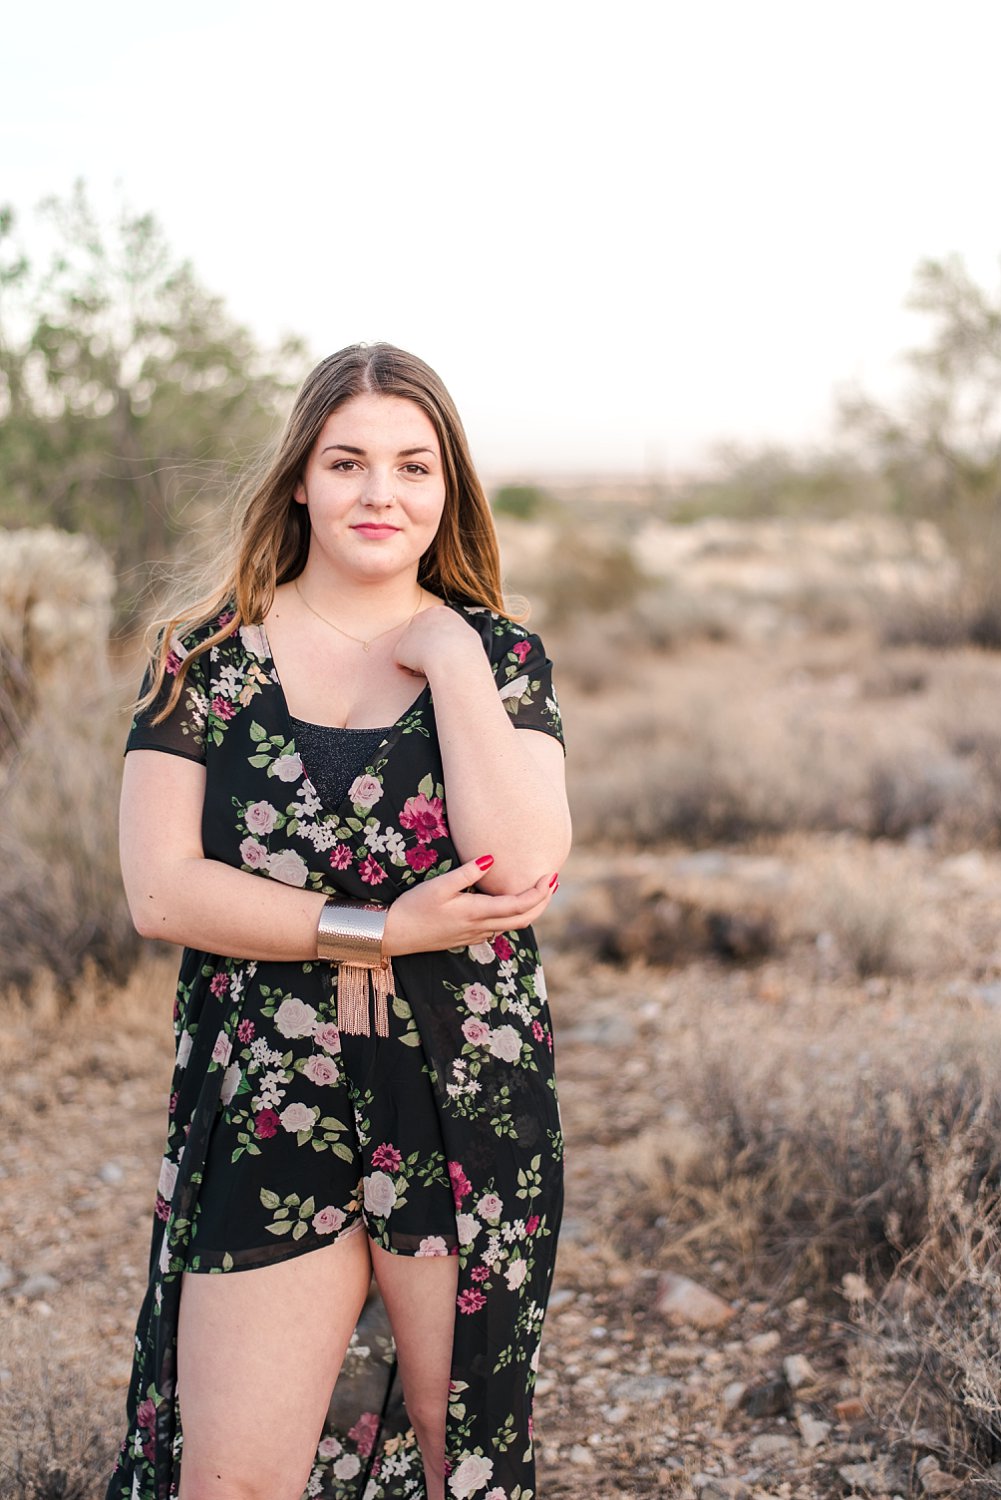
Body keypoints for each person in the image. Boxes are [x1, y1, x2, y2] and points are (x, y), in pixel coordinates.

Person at [105, 342, 572, 1500]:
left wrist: (453, 659)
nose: (381, 493)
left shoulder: (500, 659)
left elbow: (518, 867)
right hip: (270, 1091)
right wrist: (376, 930)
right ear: (300, 480)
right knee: (232, 1474)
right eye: (348, 461)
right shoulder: (205, 661)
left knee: (455, 1452)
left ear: (447, 489)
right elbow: (159, 890)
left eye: (414, 467)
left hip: (462, 1095)